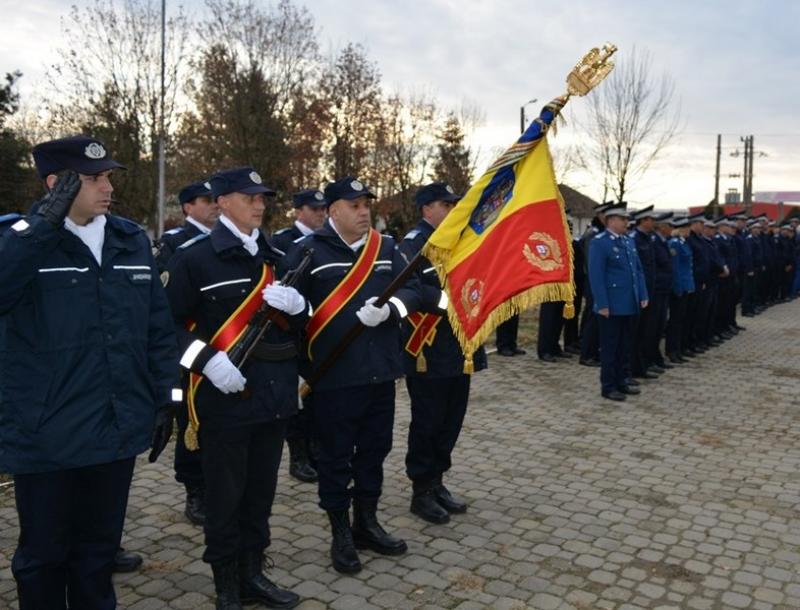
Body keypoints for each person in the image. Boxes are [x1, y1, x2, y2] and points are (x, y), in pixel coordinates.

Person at [0, 135, 181, 610]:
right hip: (46, 435)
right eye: (94, 178)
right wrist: (43, 225)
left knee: (97, 554)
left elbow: (158, 330)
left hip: (114, 429)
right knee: (43, 556)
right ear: (56, 184)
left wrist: (168, 398)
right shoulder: (19, 239)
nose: (108, 188)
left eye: (107, 177)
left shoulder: (127, 238)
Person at [165, 167, 301, 610]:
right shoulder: (193, 259)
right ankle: (225, 583)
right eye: (249, 197)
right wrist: (207, 361)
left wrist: (302, 307)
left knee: (260, 495)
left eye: (263, 197)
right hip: (224, 401)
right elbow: (166, 331)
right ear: (222, 201)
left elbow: (294, 328)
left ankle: (253, 574)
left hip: (274, 398)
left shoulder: (276, 255)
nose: (260, 204)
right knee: (225, 499)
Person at [280, 176, 421, 575]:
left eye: (366, 205)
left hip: (380, 374)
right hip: (332, 378)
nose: (364, 212)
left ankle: (367, 523)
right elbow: (287, 315)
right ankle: (340, 532)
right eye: (355, 205)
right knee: (336, 458)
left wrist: (392, 310)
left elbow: (413, 292)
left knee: (374, 453)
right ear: (333, 210)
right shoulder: (307, 252)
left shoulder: (387, 248)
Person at [399, 182, 487, 525]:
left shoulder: (459, 240)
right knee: (429, 420)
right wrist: (453, 304)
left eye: (454, 205)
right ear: (426, 209)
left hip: (460, 345)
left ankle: (437, 481)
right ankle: (421, 489)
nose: (452, 210)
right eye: (444, 205)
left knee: (452, 419)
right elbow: (414, 291)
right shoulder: (413, 245)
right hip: (429, 347)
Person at [155, 179, 219, 527]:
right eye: (204, 200)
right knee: (190, 421)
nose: (213, 205)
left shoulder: (228, 239)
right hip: (189, 352)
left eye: (215, 199)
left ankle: (219, 485)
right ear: (187, 207)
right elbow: (169, 304)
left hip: (224, 346)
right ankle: (194, 489)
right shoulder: (173, 244)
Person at [271, 188, 327, 484]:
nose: (321, 213)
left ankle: (316, 450)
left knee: (317, 397)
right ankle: (298, 456)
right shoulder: (281, 241)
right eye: (314, 209)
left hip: (317, 328)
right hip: (293, 333)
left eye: (323, 209)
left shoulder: (326, 241)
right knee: (298, 399)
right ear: (299, 211)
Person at [587, 204, 648, 402]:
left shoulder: (628, 242)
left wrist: (642, 294)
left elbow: (637, 270)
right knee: (610, 347)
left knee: (625, 345)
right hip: (611, 305)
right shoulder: (600, 243)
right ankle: (609, 386)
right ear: (611, 220)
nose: (626, 223)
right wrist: (602, 304)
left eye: (626, 219)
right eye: (623, 220)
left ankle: (622, 380)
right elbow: (596, 276)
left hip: (628, 303)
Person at [155, 180, 219, 272]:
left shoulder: (228, 236)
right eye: (208, 201)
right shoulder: (171, 241)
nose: (216, 205)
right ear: (188, 208)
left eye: (216, 200)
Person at [579, 202, 614, 367]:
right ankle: (587, 354)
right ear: (600, 215)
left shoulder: (601, 232)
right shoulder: (593, 234)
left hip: (600, 282)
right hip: (594, 282)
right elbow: (591, 263)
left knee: (597, 319)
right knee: (592, 318)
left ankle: (593, 351)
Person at [665, 217, 694, 363]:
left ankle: (678, 348)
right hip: (679, 287)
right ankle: (672, 350)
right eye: (687, 228)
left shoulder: (683, 243)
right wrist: (678, 287)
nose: (689, 230)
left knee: (681, 319)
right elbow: (675, 268)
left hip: (685, 286)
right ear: (681, 229)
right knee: (675, 321)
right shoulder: (674, 244)